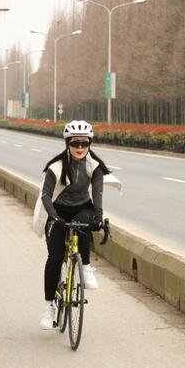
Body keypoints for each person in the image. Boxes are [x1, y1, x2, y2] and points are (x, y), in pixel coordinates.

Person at [35, 120, 111, 330]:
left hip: (81, 207)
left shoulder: (94, 167)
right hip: (57, 209)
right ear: (67, 144)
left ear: (90, 144)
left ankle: (85, 267)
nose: (80, 148)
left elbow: (97, 192)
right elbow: (46, 195)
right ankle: (49, 308)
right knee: (55, 258)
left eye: (84, 144)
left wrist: (99, 216)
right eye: (75, 143)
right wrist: (54, 217)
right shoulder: (56, 167)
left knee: (84, 223)